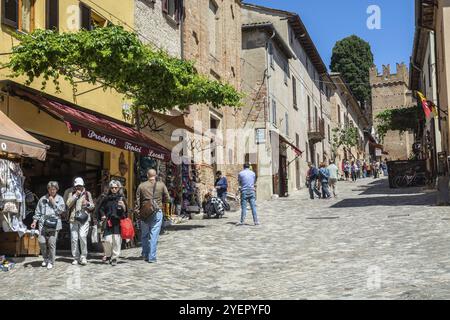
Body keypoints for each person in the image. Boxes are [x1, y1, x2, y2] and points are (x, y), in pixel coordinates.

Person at [135, 169, 170, 263]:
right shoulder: (161, 185)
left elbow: (137, 202)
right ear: (156, 175)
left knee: (144, 235)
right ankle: (152, 257)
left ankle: (145, 254)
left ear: (147, 175)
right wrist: (160, 202)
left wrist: (138, 211)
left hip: (144, 212)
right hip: (157, 211)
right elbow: (168, 198)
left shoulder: (141, 186)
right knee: (154, 235)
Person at [31, 181, 65, 270]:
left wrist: (54, 202)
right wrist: (34, 221)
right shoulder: (42, 199)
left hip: (54, 223)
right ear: (48, 189)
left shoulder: (60, 199)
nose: (52, 191)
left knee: (51, 243)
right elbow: (37, 212)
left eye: (54, 189)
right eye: (50, 189)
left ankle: (50, 261)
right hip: (43, 223)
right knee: (41, 241)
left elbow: (61, 211)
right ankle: (45, 258)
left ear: (57, 190)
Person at [98, 180, 127, 266]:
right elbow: (101, 208)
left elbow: (126, 212)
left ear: (118, 188)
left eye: (116, 187)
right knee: (107, 240)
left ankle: (114, 258)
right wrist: (102, 215)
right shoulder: (106, 198)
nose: (114, 189)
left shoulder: (121, 198)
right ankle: (108, 255)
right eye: (112, 188)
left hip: (118, 222)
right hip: (108, 221)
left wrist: (123, 206)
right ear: (110, 188)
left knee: (117, 241)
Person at [66, 177, 95, 266]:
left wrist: (87, 204)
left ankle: (83, 257)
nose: (78, 188)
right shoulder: (71, 193)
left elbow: (93, 206)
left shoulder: (87, 193)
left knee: (82, 236)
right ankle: (76, 257)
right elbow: (68, 204)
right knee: (74, 239)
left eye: (80, 186)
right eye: (76, 186)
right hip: (73, 218)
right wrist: (75, 196)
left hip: (84, 218)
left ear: (83, 186)